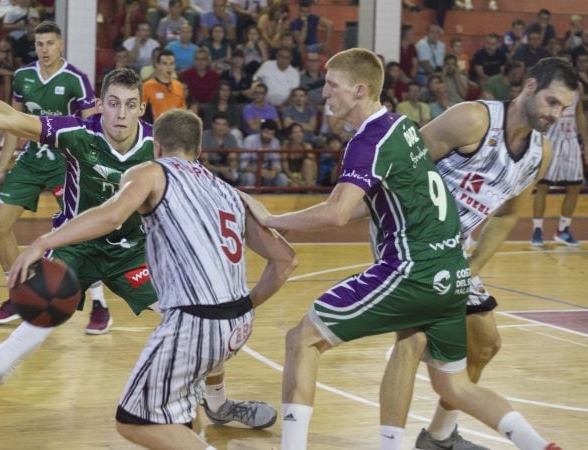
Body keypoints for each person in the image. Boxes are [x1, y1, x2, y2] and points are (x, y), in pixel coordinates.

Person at [0, 36, 278, 450]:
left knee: (202, 314)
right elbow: (9, 118)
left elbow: (205, 185)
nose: (119, 113)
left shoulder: (158, 146)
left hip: (137, 253)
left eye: (128, 105)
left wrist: (261, 212)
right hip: (76, 249)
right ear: (100, 104)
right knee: (28, 335)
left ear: (140, 108)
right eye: (111, 103)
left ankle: (219, 404)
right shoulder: (78, 133)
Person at [240, 47, 565, 450]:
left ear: (359, 90)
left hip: (415, 261)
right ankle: (537, 445)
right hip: (448, 261)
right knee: (452, 381)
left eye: (330, 85)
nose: (323, 93)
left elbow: (341, 210)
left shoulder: (372, 141)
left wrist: (273, 220)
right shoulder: (410, 126)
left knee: (302, 339)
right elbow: (388, 189)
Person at [7, 109, 297, 449]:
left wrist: (43, 242)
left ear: (156, 146)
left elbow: (111, 216)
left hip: (195, 324)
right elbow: (285, 260)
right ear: (198, 149)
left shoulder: (151, 172)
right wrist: (247, 303)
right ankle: (214, 411)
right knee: (177, 415)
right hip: (239, 326)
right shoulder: (225, 190)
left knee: (134, 422)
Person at [380, 56, 577, 450]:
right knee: (413, 341)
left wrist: (473, 266)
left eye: (565, 109)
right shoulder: (472, 119)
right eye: (553, 102)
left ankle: (438, 436)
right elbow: (401, 163)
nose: (557, 114)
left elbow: (506, 214)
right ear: (529, 87)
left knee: (485, 344)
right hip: (409, 238)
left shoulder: (542, 154)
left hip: (454, 253)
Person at [0, 21, 112, 334]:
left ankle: (99, 304)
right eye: (39, 44)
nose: (44, 49)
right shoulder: (23, 76)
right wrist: (2, 166)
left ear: (61, 45)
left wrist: (91, 165)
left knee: (82, 230)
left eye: (50, 43)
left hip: (66, 162)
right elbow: (12, 124)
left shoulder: (76, 79)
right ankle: (18, 295)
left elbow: (90, 127)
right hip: (32, 160)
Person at [532, 83, 586, 247]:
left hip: (570, 142)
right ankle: (537, 230)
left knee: (575, 186)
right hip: (549, 141)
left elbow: (579, 115)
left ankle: (563, 230)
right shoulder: (547, 89)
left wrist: (586, 140)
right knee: (542, 186)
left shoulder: (577, 88)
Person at [142, 49, 185, 121]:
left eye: (172, 63)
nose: (169, 67)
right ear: (157, 65)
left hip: (176, 128)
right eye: (165, 63)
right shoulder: (147, 86)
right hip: (155, 129)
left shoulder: (178, 86)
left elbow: (182, 110)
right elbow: (140, 113)